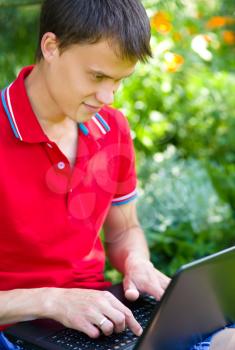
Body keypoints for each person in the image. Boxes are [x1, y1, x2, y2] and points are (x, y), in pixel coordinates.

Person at [0, 0, 170, 346]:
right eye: (97, 76)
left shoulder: (113, 129)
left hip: (94, 323)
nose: (107, 96)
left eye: (119, 81)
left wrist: (136, 262)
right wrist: (52, 301)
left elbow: (124, 232)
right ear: (52, 47)